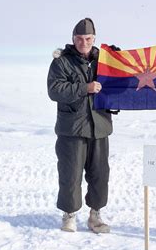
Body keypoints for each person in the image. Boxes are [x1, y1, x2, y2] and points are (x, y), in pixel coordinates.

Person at [47, 18, 115, 233]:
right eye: (79, 38)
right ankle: (69, 215)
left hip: (99, 126)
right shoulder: (61, 62)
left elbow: (121, 81)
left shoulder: (104, 61)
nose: (83, 42)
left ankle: (95, 216)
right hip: (72, 128)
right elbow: (55, 90)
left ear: (94, 39)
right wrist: (84, 87)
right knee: (70, 174)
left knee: (100, 174)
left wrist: (119, 61)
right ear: (73, 39)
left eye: (88, 38)